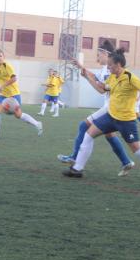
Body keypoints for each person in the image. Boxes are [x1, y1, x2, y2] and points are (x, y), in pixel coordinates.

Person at [62, 47, 140, 186]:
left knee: (138, 150)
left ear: (118, 65)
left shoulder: (130, 77)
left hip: (126, 121)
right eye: (108, 65)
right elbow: (101, 90)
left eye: (110, 65)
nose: (108, 68)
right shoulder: (112, 77)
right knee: (88, 134)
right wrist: (87, 77)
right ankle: (77, 169)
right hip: (110, 117)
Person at [57, 40, 135, 177]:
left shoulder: (110, 70)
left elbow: (101, 89)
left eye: (98, 54)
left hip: (111, 107)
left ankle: (75, 158)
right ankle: (126, 161)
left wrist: (86, 76)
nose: (97, 57)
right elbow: (95, 77)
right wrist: (83, 68)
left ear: (106, 54)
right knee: (109, 134)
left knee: (84, 125)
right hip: (112, 108)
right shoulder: (106, 69)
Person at [0, 49, 42, 139]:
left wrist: (3, 86)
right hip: (3, 94)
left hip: (13, 94)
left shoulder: (7, 66)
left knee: (18, 115)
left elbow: (14, 79)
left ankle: (37, 124)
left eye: (0, 56)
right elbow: (0, 78)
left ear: (4, 57)